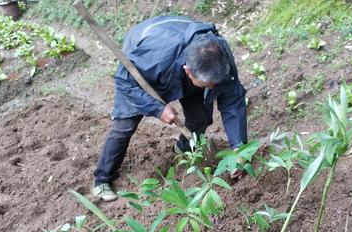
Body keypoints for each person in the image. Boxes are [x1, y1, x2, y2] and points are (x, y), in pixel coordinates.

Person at [92, 15, 248, 201]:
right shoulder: (155, 58)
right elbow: (124, 81)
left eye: (214, 82)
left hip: (181, 61)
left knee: (200, 116)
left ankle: (184, 147)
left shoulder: (219, 55)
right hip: (142, 66)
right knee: (124, 126)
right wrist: (158, 109)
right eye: (208, 84)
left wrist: (240, 149)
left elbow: (233, 100)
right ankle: (102, 179)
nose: (213, 88)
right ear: (188, 71)